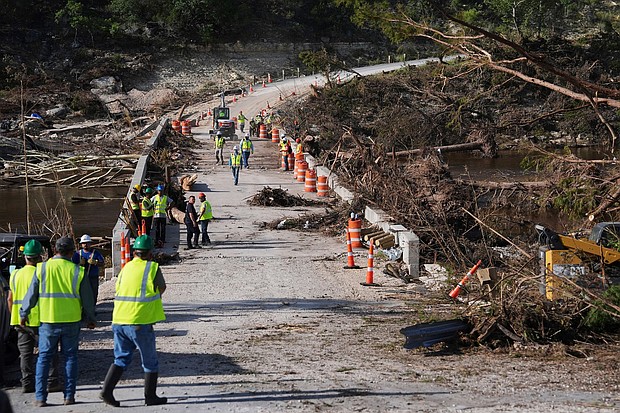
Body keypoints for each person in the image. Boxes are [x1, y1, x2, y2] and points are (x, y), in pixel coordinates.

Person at [20, 236, 96, 407]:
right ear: (72, 252)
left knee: (44, 358)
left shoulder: (43, 269)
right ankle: (69, 396)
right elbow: (88, 299)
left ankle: (41, 398)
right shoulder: (78, 271)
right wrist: (91, 318)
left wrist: (24, 314)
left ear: (55, 250)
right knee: (70, 358)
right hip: (71, 321)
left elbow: (31, 295)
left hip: (48, 320)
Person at [99, 235, 167, 407]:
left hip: (119, 320)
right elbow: (161, 287)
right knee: (150, 360)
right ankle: (150, 397)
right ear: (150, 253)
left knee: (120, 358)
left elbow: (119, 288)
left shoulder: (126, 268)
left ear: (135, 252)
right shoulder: (152, 268)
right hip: (139, 321)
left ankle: (106, 391)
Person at [9, 240, 61, 394]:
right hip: (42, 319)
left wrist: (15, 316)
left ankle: (27, 383)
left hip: (21, 321)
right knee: (49, 352)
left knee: (25, 354)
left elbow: (10, 299)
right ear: (40, 256)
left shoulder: (15, 274)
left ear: (25, 256)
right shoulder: (43, 272)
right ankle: (52, 382)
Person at [72, 234, 105, 306]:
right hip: (81, 278)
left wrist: (96, 262)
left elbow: (102, 263)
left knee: (93, 293)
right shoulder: (78, 254)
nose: (85, 245)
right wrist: (79, 264)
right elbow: (72, 266)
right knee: (82, 293)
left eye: (87, 243)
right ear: (81, 244)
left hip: (93, 277)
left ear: (90, 243)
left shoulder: (95, 253)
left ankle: (92, 308)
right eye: (84, 243)